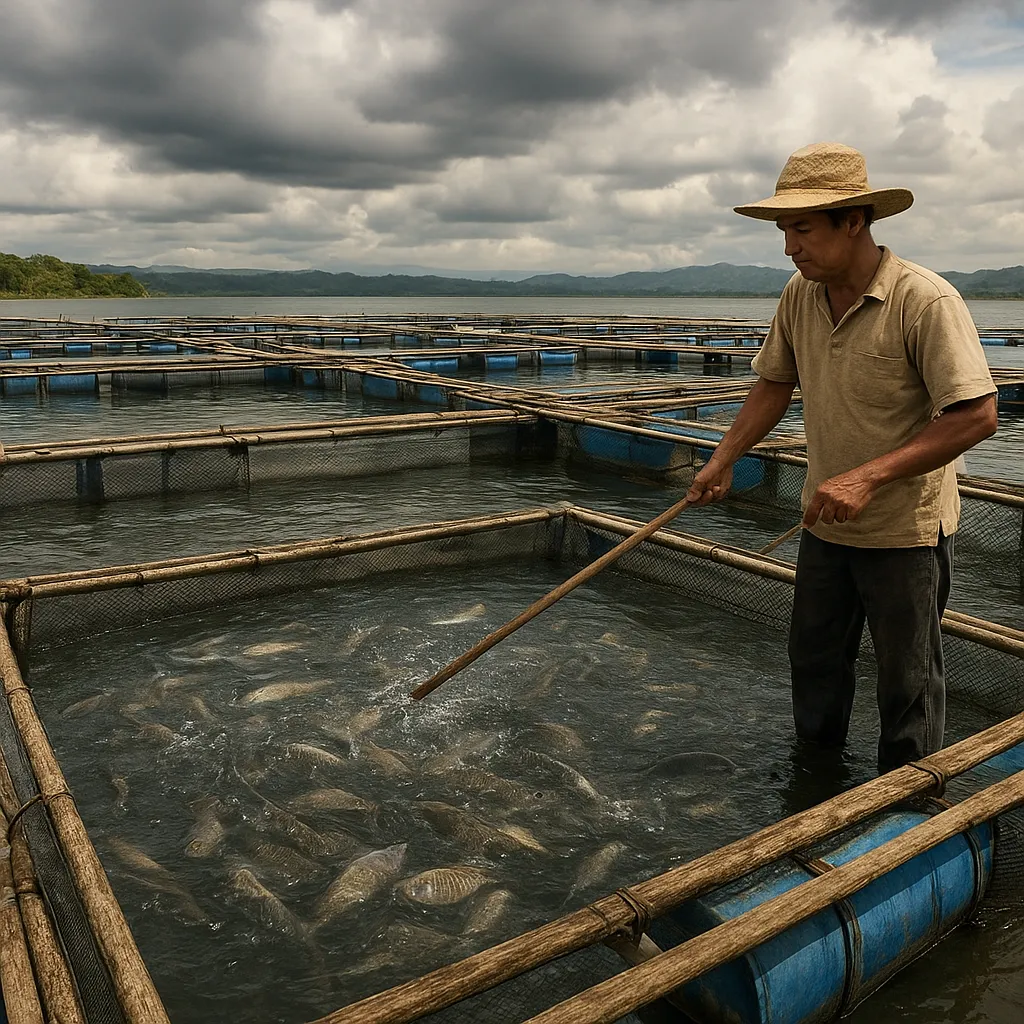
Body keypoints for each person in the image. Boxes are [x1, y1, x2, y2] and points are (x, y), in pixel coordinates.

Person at [686, 142, 997, 774]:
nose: (789, 247)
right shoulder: (800, 294)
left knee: (907, 680)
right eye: (784, 230)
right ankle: (815, 783)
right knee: (815, 659)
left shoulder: (925, 301)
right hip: (825, 521)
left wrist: (868, 476)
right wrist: (723, 457)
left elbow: (976, 415)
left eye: (802, 228)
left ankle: (909, 804)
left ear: (853, 220)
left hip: (903, 530)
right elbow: (774, 383)